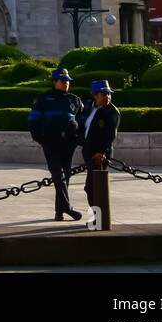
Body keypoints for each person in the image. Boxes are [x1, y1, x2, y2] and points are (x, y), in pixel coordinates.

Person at [27, 68, 84, 221]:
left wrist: (79, 138)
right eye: (62, 81)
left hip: (69, 142)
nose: (66, 84)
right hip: (51, 141)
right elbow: (33, 119)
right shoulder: (43, 99)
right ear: (54, 82)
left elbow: (82, 119)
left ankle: (59, 212)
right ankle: (67, 207)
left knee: (66, 174)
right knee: (58, 174)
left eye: (67, 81)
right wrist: (39, 137)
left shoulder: (74, 99)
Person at [79, 80, 121, 212]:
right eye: (104, 94)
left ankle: (98, 218)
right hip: (88, 152)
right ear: (95, 95)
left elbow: (110, 135)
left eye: (109, 93)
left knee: (93, 187)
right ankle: (97, 217)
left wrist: (102, 152)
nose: (107, 96)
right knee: (93, 187)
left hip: (99, 156)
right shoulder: (88, 107)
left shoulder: (112, 112)